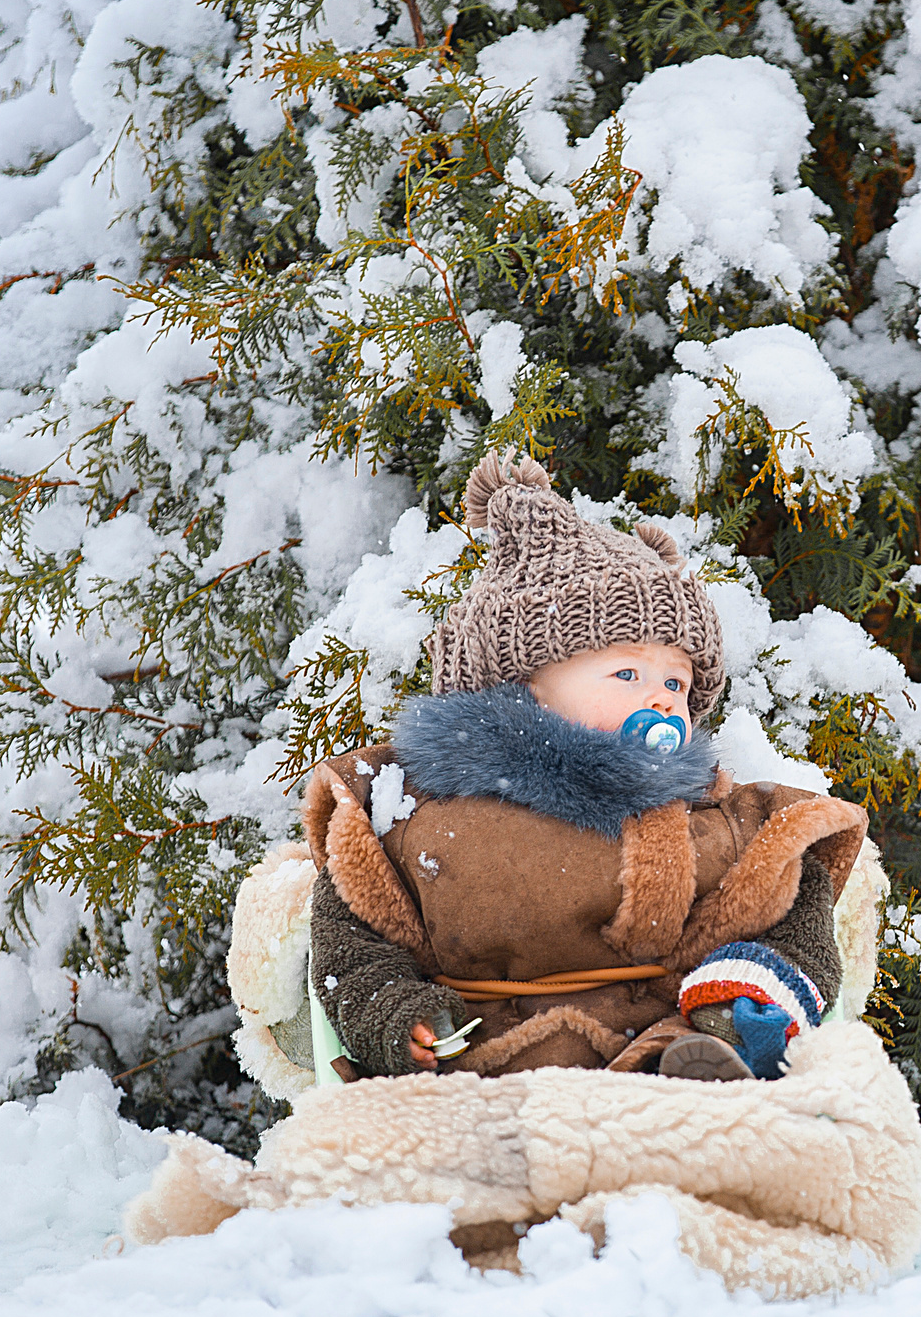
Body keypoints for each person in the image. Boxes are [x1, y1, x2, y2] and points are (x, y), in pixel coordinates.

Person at [298, 452, 867, 1083]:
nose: (662, 698)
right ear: (526, 686)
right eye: (627, 673)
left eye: (677, 682)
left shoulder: (716, 815)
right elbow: (354, 937)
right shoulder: (415, 814)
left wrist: (748, 992)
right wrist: (398, 1016)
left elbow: (792, 898)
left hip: (671, 1053)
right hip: (483, 1071)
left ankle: (715, 1061)